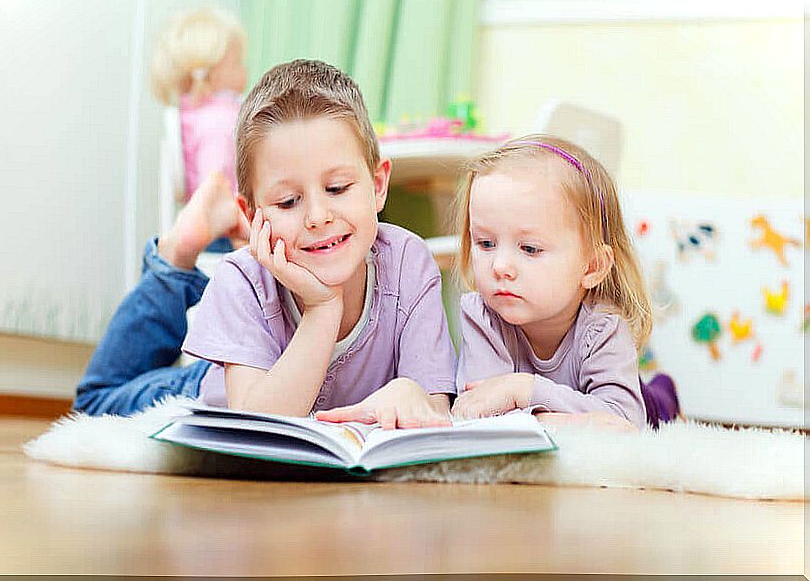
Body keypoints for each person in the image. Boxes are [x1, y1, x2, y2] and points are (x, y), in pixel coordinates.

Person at [181, 59, 456, 428]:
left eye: (337, 189)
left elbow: (433, 414)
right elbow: (258, 428)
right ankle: (175, 253)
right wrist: (323, 307)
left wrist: (413, 393)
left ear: (377, 186)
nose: (317, 217)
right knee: (103, 395)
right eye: (288, 202)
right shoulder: (241, 280)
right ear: (251, 215)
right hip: (207, 380)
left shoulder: (408, 262)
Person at [449, 134, 680, 429]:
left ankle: (665, 391)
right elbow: (482, 410)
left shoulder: (603, 327)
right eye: (485, 243)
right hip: (582, 404)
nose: (500, 266)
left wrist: (525, 389)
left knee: (657, 405)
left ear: (593, 266)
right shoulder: (483, 315)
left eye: (530, 248)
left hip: (645, 403)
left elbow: (624, 422)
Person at [73, 171, 250, 416]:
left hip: (234, 377)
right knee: (95, 402)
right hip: (231, 379)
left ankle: (173, 265)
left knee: (97, 400)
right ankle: (174, 265)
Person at [151, 6, 247, 252]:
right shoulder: (219, 122)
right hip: (222, 236)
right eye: (237, 63)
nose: (244, 70)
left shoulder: (195, 114)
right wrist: (242, 234)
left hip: (217, 229)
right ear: (212, 72)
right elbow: (212, 186)